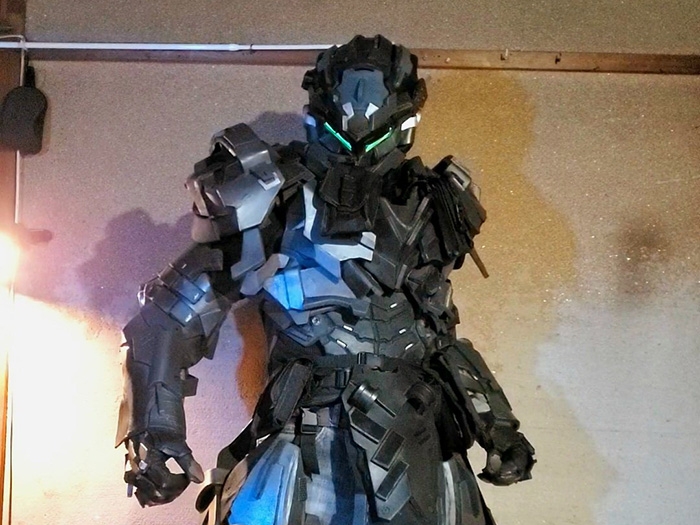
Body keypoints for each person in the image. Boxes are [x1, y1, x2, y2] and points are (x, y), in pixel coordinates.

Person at [116, 34, 535, 525]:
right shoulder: (275, 191)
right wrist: (155, 433)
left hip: (420, 435)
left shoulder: (433, 200)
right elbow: (170, 316)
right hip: (309, 435)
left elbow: (436, 333)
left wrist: (496, 424)